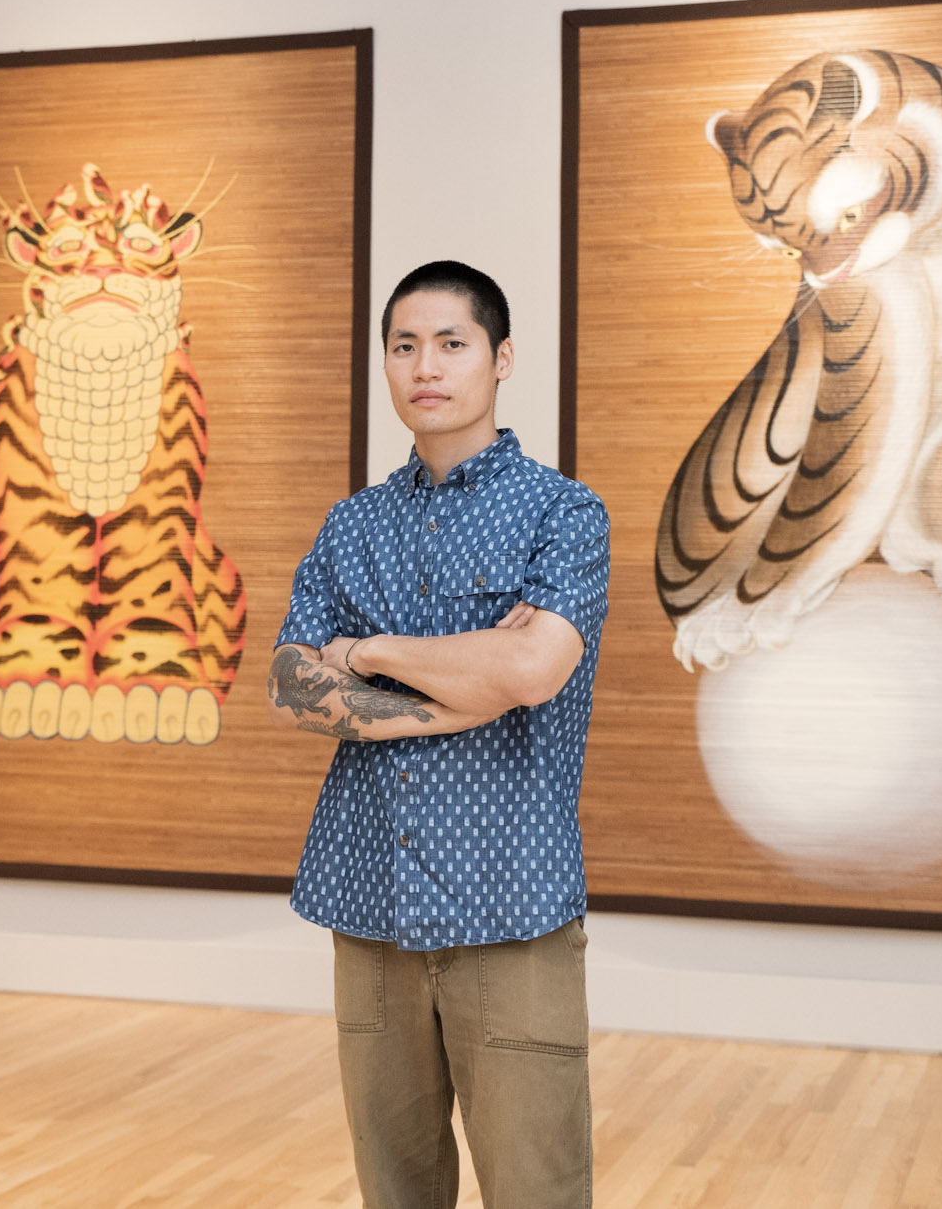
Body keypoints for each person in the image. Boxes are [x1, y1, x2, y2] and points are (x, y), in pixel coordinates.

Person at [267, 260, 609, 1209]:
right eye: (405, 345)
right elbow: (295, 686)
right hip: (369, 909)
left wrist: (369, 650)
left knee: (536, 1189)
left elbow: (536, 669)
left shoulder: (562, 513)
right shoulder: (352, 526)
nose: (426, 365)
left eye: (452, 343)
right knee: (395, 1191)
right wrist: (467, 681)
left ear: (501, 359)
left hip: (511, 910)